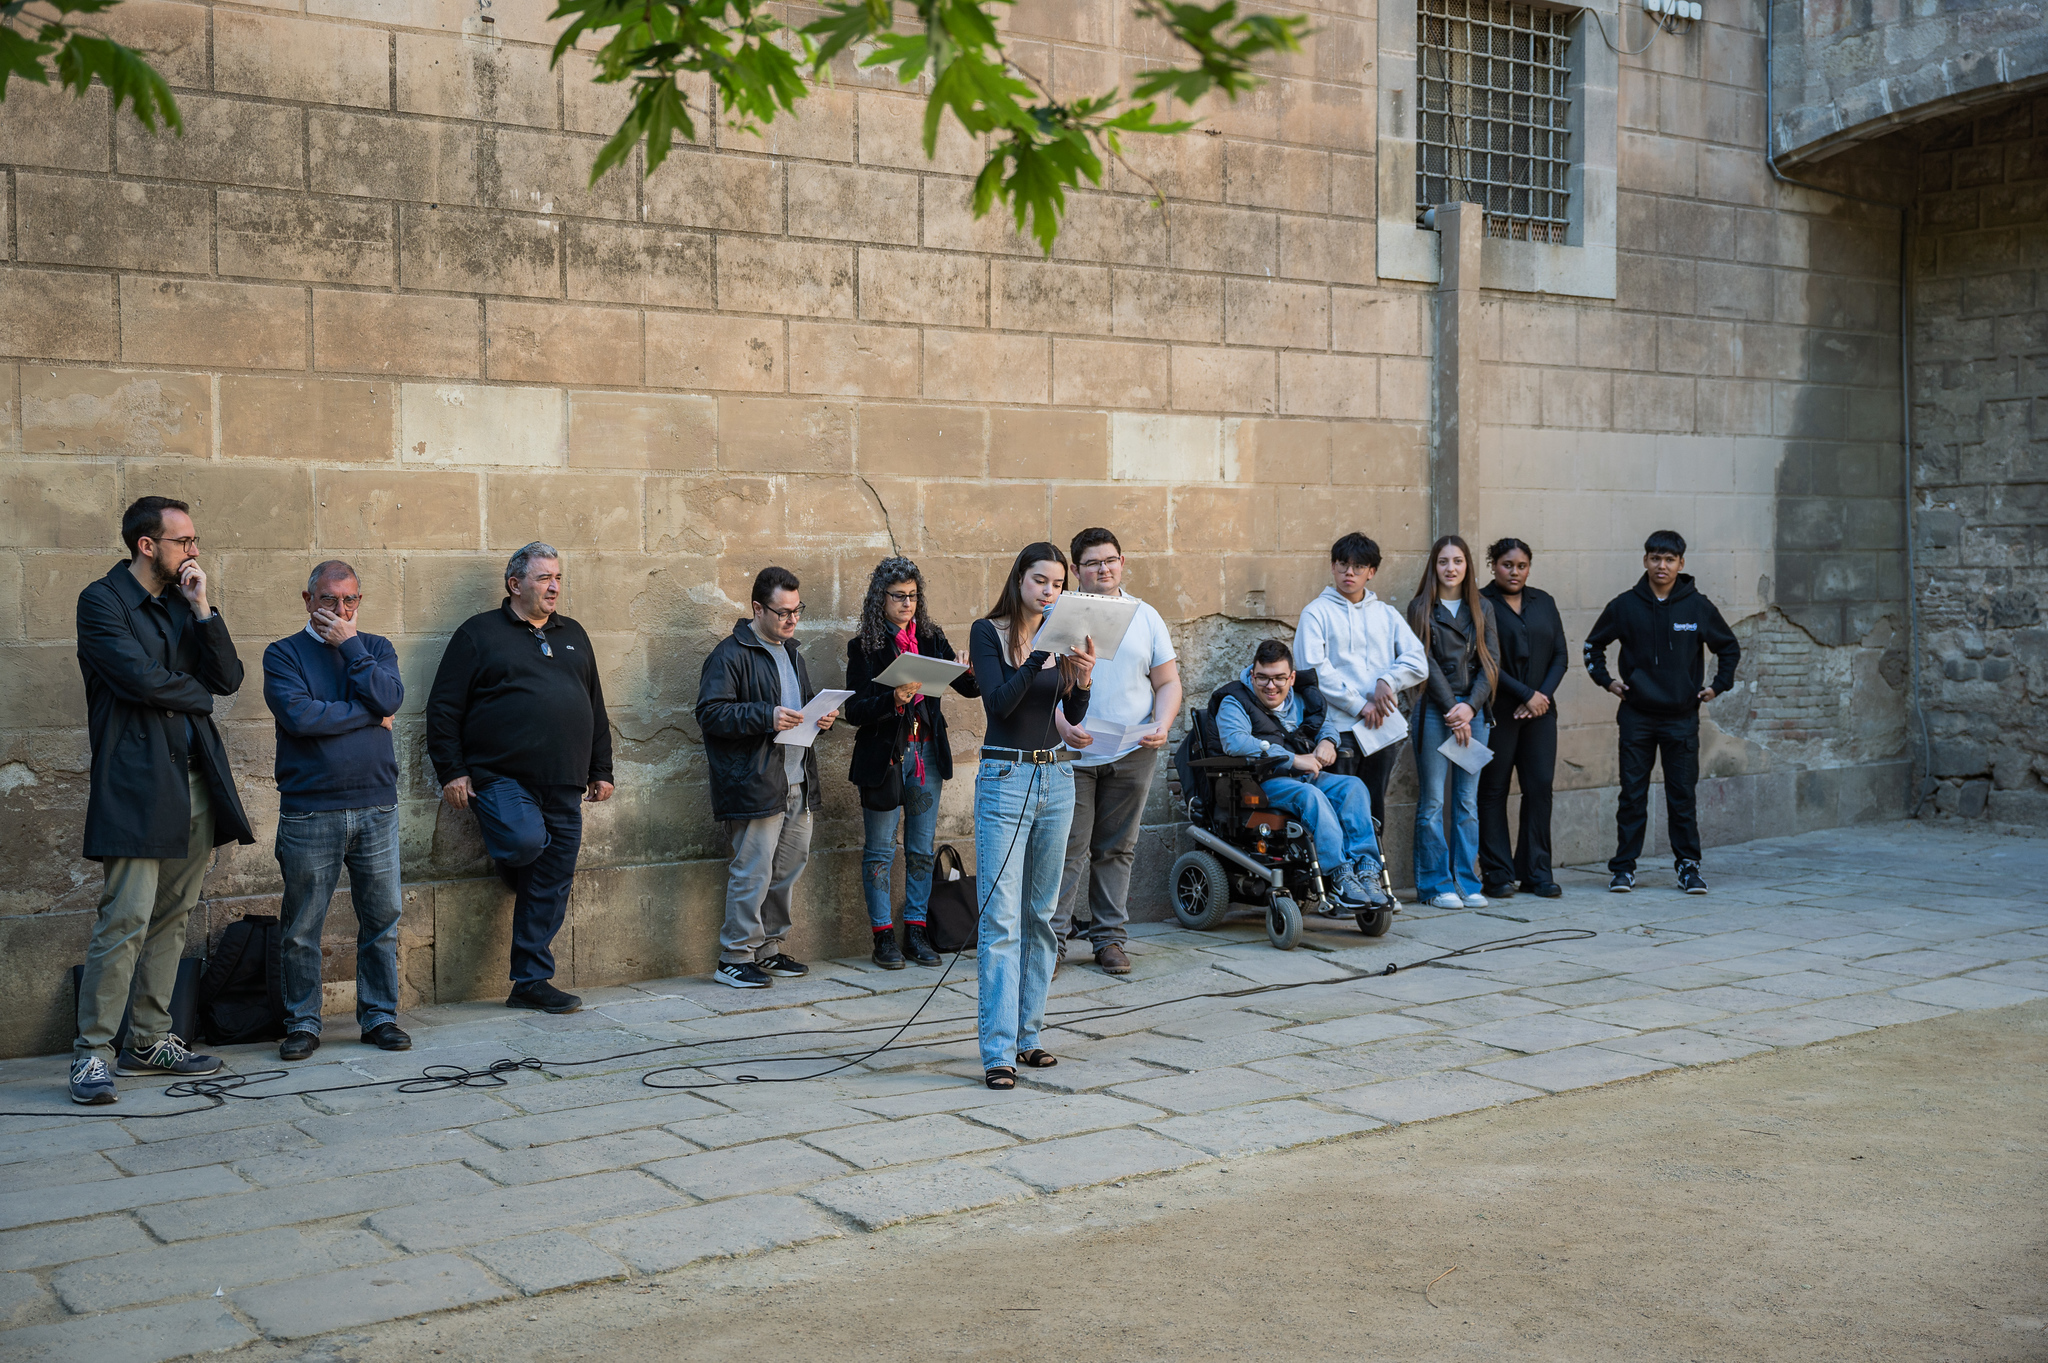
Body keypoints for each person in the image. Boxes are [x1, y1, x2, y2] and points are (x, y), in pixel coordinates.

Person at [70, 495, 252, 1104]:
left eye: (195, 540)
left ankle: (149, 1041)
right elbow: (137, 679)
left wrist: (202, 609)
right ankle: (93, 1054)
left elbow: (226, 678)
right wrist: (194, 694)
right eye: (184, 542)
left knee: (173, 916)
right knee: (124, 919)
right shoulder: (102, 601)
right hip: (137, 784)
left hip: (194, 780)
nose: (194, 551)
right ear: (147, 546)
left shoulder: (183, 601)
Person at [426, 542, 614, 1015]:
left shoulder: (573, 633)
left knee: (552, 879)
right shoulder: (478, 633)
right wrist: (452, 770)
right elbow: (444, 707)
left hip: (565, 780)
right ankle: (517, 865)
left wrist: (601, 769)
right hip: (501, 775)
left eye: (558, 577)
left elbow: (593, 704)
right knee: (525, 843)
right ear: (515, 584)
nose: (554, 587)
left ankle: (531, 982)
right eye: (544, 578)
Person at [262, 559, 410, 1060]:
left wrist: (350, 646)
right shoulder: (283, 654)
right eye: (328, 599)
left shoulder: (375, 649)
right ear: (308, 600)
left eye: (349, 600)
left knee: (382, 919)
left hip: (376, 805)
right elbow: (301, 718)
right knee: (302, 927)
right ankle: (302, 1023)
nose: (340, 609)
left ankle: (380, 1017)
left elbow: (391, 696)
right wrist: (371, 715)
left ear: (359, 602)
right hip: (311, 811)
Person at [969, 544, 1095, 1091]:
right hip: (1005, 777)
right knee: (1001, 919)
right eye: (1040, 580)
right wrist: (1039, 655)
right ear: (1020, 578)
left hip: (1057, 777)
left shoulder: (1061, 634)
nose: (1049, 591)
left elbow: (1068, 711)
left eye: (1058, 584)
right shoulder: (989, 632)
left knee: (1042, 916)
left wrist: (1082, 680)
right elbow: (999, 704)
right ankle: (997, 1051)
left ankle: (1028, 1035)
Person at [696, 566, 840, 988]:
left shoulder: (792, 652)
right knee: (752, 872)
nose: (792, 620)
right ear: (758, 609)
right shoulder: (729, 654)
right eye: (783, 612)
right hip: (754, 782)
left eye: (797, 610)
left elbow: (798, 709)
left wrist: (821, 718)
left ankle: (768, 948)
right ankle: (734, 957)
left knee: (787, 869)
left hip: (797, 780)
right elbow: (710, 713)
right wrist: (766, 716)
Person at [1049, 528, 1181, 976]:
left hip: (1132, 749)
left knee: (1118, 848)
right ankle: (1053, 944)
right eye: (1092, 563)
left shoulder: (1146, 616)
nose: (1103, 569)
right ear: (1075, 570)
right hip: (1073, 753)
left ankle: (1109, 940)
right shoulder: (1059, 614)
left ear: (1122, 563)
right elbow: (1039, 686)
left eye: (1110, 560)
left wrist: (1162, 724)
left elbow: (1167, 682)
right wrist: (1062, 724)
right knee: (1067, 849)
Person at [1584, 530, 1741, 895]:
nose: (1662, 565)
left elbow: (1729, 648)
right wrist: (1606, 681)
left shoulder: (1697, 606)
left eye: (1670, 559)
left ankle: (1688, 867)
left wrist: (1718, 685)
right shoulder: (1625, 605)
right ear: (1645, 561)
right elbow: (1593, 646)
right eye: (1655, 558)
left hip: (1681, 718)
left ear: (1681, 564)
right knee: (1632, 796)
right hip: (1636, 717)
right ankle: (1624, 868)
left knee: (1681, 796)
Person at [844, 557, 976, 970]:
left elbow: (967, 687)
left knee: (921, 848)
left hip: (926, 754)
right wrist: (892, 699)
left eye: (913, 596)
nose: (907, 604)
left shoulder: (931, 637)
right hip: (884, 759)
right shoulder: (864, 646)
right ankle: (882, 936)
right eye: (899, 596)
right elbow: (854, 711)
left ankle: (916, 930)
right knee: (880, 850)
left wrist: (970, 671)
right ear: (880, 598)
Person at [1294, 531, 1428, 912]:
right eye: (1342, 565)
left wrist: (1388, 681)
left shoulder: (1385, 615)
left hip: (1380, 730)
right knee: (1339, 808)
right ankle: (1340, 886)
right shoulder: (1316, 612)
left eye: (1358, 566)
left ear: (1372, 571)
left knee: (1373, 808)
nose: (1348, 573)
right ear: (1333, 566)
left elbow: (1417, 660)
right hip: (1338, 729)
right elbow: (1312, 669)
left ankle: (1374, 884)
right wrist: (1358, 704)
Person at [1211, 639, 1390, 910]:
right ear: (1252, 675)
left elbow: (1325, 724)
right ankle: (1340, 875)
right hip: (1261, 783)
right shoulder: (1234, 701)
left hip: (1302, 777)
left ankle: (1366, 871)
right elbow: (1235, 742)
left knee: (1353, 787)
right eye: (1263, 678)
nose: (1271, 686)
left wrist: (1328, 742)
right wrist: (1293, 759)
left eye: (1279, 678)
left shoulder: (1302, 697)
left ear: (1292, 678)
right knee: (1310, 795)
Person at [1407, 535, 1501, 911]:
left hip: (1474, 713)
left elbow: (1491, 661)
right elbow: (1424, 661)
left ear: (1467, 566)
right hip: (1435, 709)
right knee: (1432, 800)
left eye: (1458, 561)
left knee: (1466, 801)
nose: (1451, 568)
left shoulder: (1483, 606)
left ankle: (1466, 881)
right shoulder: (1420, 607)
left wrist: (1470, 708)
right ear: (1434, 566)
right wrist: (1452, 709)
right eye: (1443, 561)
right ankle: (1434, 885)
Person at [1476, 538, 1570, 900]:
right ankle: (1497, 874)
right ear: (1493, 566)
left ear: (1529, 568)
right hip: (1499, 711)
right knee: (1493, 789)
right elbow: (1485, 660)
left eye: (1521, 566)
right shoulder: (1481, 602)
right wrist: (1525, 694)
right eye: (1507, 565)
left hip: (1540, 713)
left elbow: (1560, 655)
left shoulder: (1543, 601)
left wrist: (1539, 697)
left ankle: (1536, 872)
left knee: (1540, 787)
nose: (1514, 572)